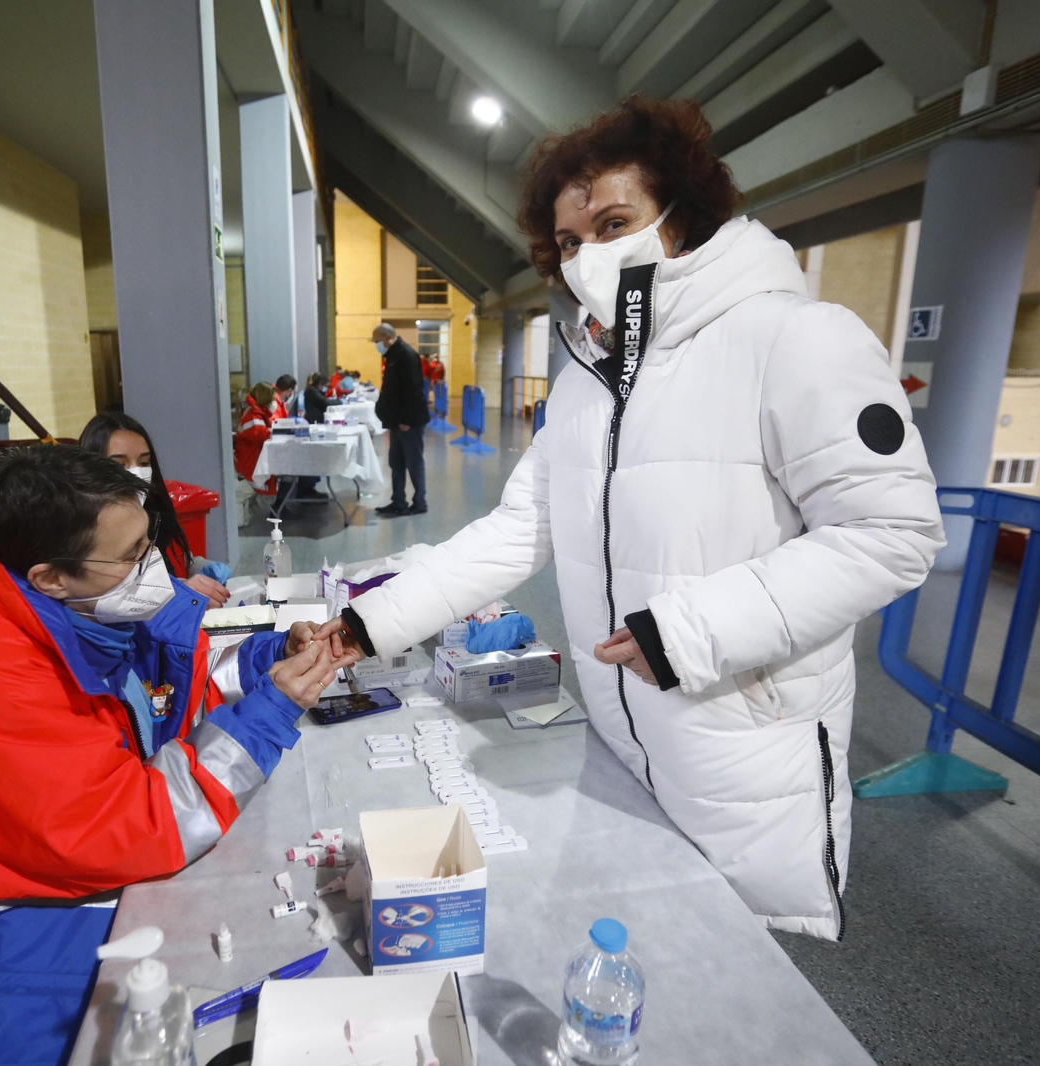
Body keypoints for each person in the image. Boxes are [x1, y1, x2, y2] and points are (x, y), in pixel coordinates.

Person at [318, 96, 944, 940]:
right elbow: (520, 528)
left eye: (616, 223)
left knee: (732, 965)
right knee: (645, 940)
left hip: (743, 730)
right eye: (571, 242)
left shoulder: (797, 339)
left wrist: (688, 632)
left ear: (683, 218)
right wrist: (371, 623)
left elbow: (893, 535)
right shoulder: (590, 378)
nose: (588, 257)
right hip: (622, 726)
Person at [0, 445, 347, 1065]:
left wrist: (266, 661)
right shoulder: (1, 685)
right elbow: (142, 825)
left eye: (149, 541)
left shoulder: (78, 612)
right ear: (50, 574)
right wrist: (269, 713)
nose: (155, 570)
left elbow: (168, 692)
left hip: (29, 889)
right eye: (133, 555)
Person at [79, 411, 231, 607]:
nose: (135, 472)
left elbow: (168, 560)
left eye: (143, 463)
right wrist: (179, 590)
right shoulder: (82, 531)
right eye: (119, 464)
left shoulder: (152, 510)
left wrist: (199, 568)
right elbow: (112, 603)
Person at [373, 324, 430, 517]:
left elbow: (413, 390)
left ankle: (420, 503)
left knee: (414, 462)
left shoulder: (406, 355)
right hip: (397, 420)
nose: (376, 345)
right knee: (396, 462)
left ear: (388, 336)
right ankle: (398, 501)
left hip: (409, 421)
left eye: (377, 341)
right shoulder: (392, 355)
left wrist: (406, 419)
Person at [234, 382, 277, 496]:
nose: (274, 403)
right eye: (273, 399)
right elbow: (261, 434)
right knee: (263, 499)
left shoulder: (257, 412)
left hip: (252, 459)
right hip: (250, 461)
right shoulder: (253, 415)